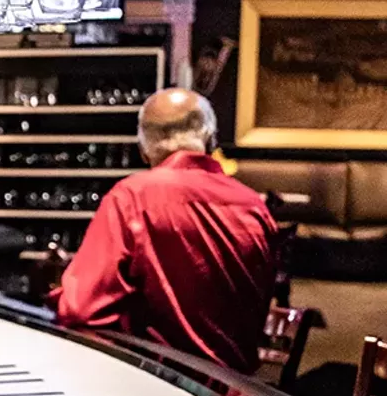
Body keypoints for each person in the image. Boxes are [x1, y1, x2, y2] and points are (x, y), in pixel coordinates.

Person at [53, 88, 278, 373]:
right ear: (211, 140)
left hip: (161, 391)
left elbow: (79, 310)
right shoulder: (254, 206)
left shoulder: (131, 198)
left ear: (144, 150)